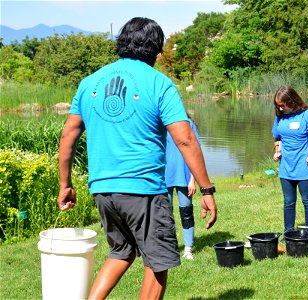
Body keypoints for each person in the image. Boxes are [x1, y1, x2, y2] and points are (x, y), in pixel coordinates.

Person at [57, 17, 217, 300]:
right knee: (158, 262)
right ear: (155, 50)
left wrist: (65, 184)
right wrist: (206, 189)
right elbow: (185, 139)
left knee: (121, 252)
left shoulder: (90, 82)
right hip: (143, 190)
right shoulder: (159, 83)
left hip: (102, 189)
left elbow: (68, 135)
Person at [271, 85, 308, 234]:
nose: (280, 108)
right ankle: (288, 232)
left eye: (283, 105)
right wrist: (278, 150)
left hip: (304, 166)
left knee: (307, 200)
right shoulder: (280, 118)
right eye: (278, 105)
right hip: (286, 168)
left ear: (292, 100)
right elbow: (278, 137)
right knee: (288, 202)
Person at [165, 116, 200, 260]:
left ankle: (188, 248)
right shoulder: (160, 123)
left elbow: (195, 151)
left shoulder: (188, 123)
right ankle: (169, 248)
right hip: (163, 177)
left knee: (186, 213)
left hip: (184, 177)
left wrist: (193, 179)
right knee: (165, 216)